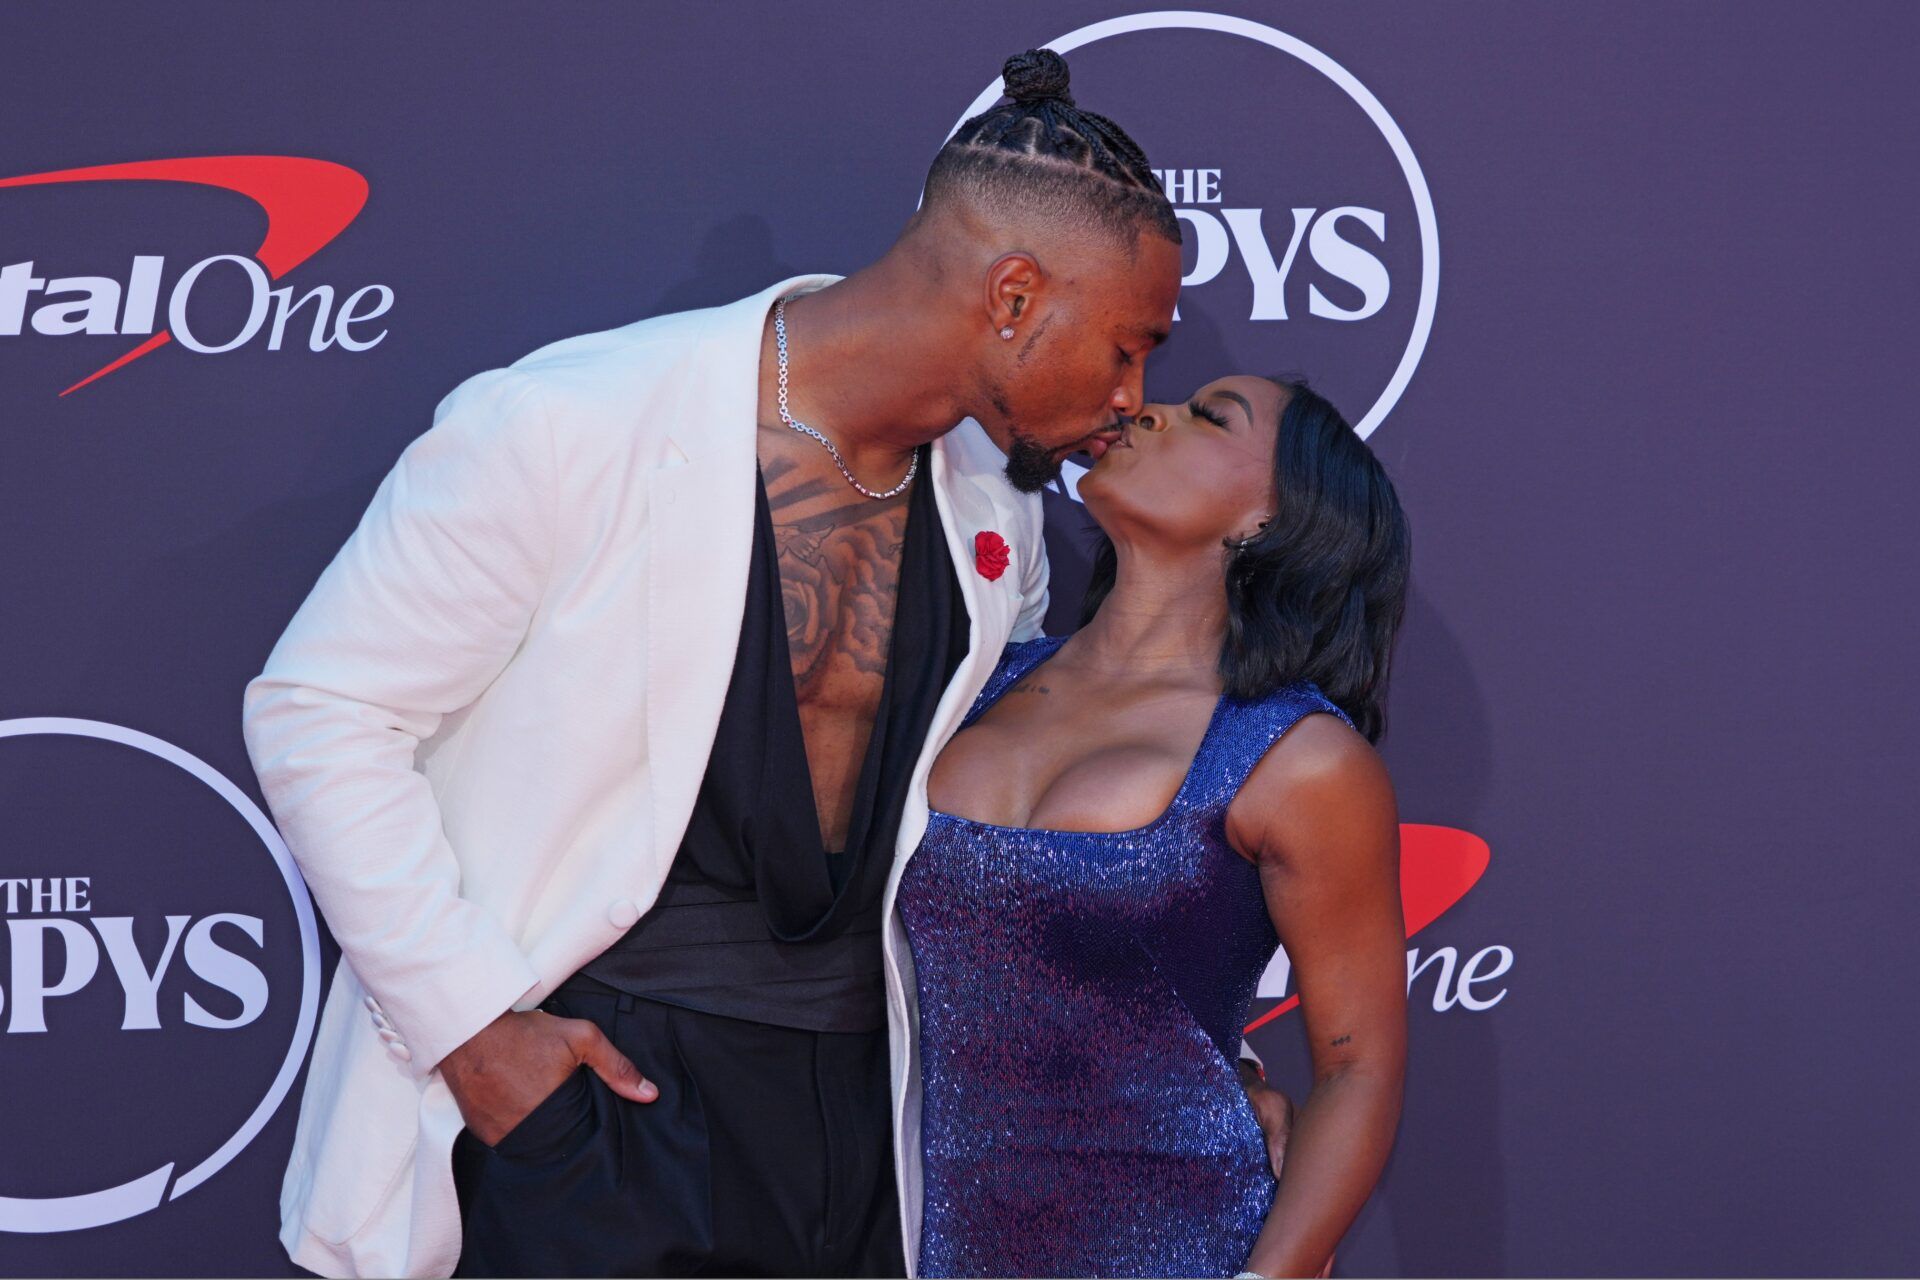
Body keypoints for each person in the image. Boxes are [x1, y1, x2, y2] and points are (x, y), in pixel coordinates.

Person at [242, 48, 1299, 1279]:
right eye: (1128, 346)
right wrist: (480, 1039)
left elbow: (1019, 835)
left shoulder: (989, 524)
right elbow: (319, 709)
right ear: (1014, 296)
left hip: (864, 1124)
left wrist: (1199, 1060)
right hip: (598, 1101)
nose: (1133, 395)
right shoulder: (570, 425)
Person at [897, 375, 1412, 1278]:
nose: (1147, 409)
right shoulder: (972, 681)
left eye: (1209, 417)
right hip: (916, 1239)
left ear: (1272, 520)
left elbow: (1358, 1070)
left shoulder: (1300, 760)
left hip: (1183, 1246)